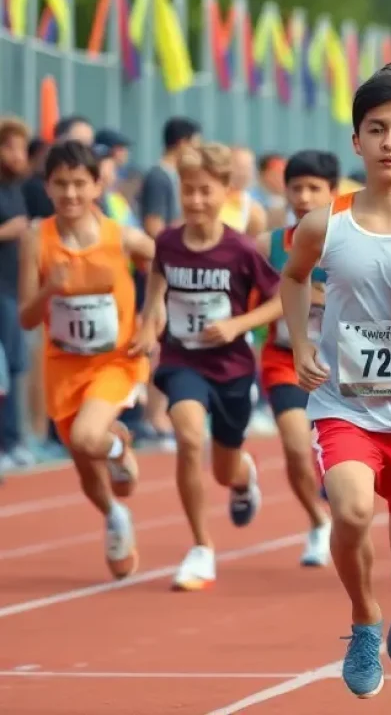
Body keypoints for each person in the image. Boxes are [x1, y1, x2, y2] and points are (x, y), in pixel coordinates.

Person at [280, 63, 391, 700]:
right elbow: (293, 278)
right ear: (357, 141)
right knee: (348, 511)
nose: (390, 142)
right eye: (377, 129)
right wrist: (299, 344)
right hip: (344, 405)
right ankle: (364, 620)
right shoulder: (325, 223)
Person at [133, 142, 282, 591]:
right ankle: (201, 546)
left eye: (205, 191)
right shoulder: (168, 243)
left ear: (225, 191)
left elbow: (279, 301)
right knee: (188, 437)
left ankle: (243, 477)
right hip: (183, 361)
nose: (196, 200)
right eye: (188, 190)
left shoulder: (240, 249)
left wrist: (238, 324)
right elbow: (157, 287)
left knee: (223, 468)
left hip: (232, 368)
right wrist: (147, 324)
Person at [17, 141, 152, 577]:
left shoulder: (123, 236)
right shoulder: (37, 238)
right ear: (48, 187)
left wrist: (153, 321)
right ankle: (115, 515)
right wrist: (48, 289)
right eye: (61, 185)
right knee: (83, 465)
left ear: (98, 185)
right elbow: (25, 317)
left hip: (115, 360)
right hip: (64, 365)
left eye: (79, 184)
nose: (70, 194)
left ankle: (116, 448)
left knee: (87, 438)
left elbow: (171, 266)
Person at [255, 149, 338, 567]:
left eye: (313, 189)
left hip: (342, 367)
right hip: (284, 359)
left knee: (342, 456)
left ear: (333, 193)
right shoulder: (269, 246)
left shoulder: (347, 244)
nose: (304, 197)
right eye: (296, 188)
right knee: (292, 445)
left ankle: (346, 513)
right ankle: (317, 521)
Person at [0, 118, 30, 471]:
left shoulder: (15, 188)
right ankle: (7, 441)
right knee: (4, 368)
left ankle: (15, 437)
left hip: (14, 287)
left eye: (22, 147)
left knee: (17, 364)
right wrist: (6, 231)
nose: (19, 155)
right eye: (12, 147)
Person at [138, 117, 201, 240]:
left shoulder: (174, 175)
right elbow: (153, 227)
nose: (197, 154)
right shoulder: (158, 177)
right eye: (195, 148)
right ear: (183, 143)